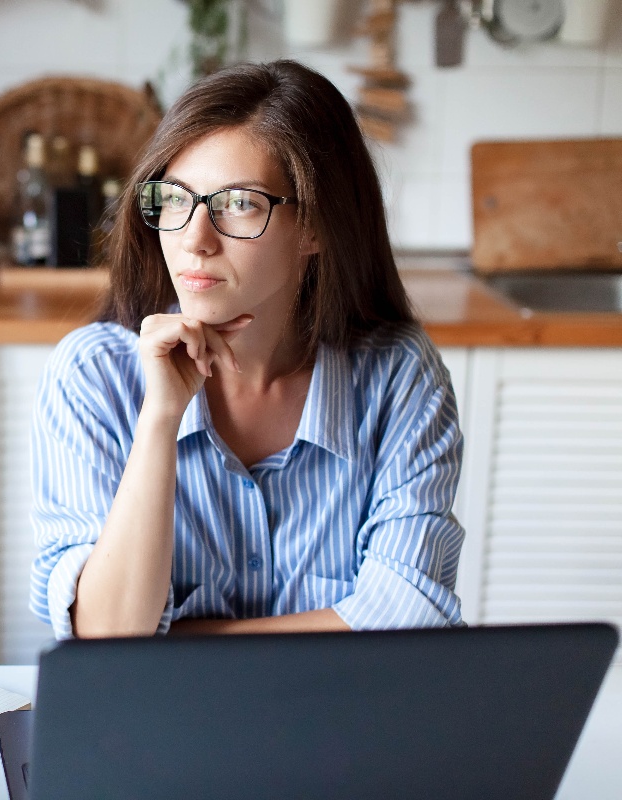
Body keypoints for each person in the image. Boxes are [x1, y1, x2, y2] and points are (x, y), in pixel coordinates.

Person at [29, 60, 465, 640]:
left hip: (340, 720)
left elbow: (410, 615)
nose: (194, 240)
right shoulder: (92, 375)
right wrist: (159, 420)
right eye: (175, 199)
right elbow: (106, 637)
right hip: (163, 725)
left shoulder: (398, 375)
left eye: (239, 204)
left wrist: (181, 644)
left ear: (316, 228)